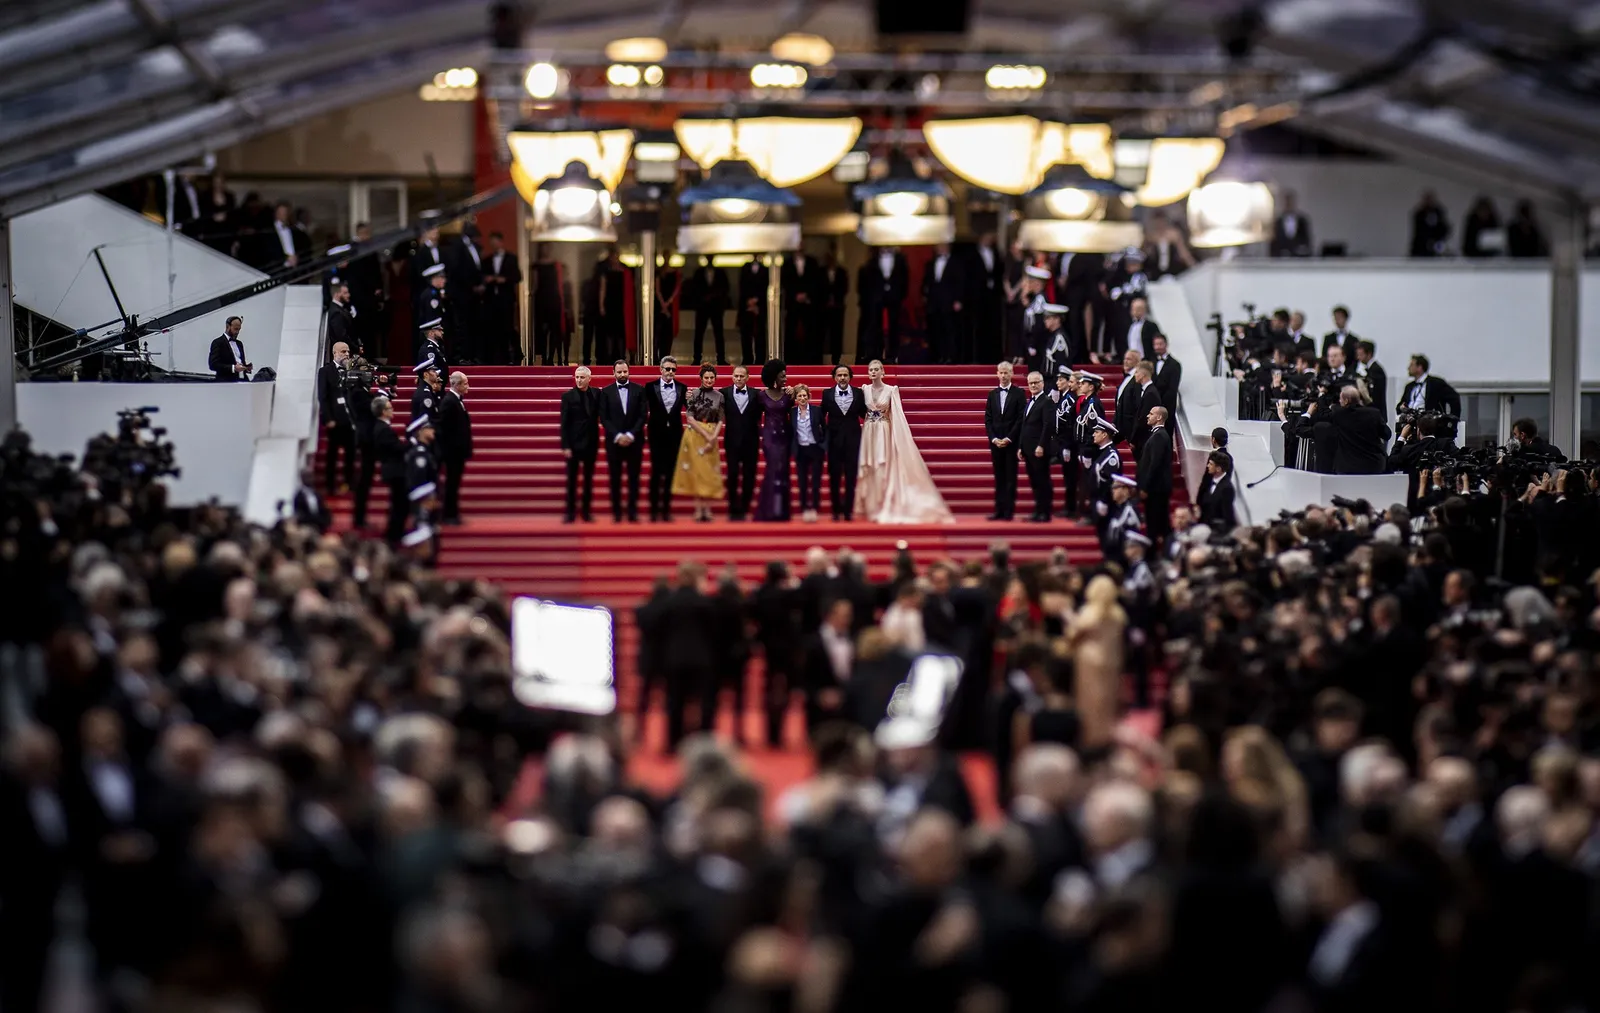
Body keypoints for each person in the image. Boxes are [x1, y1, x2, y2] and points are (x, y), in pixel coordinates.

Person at [855, 359, 955, 524]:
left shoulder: (891, 390)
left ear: (882, 372)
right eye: (870, 370)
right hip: (868, 431)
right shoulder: (864, 389)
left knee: (882, 465)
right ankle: (871, 505)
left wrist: (898, 436)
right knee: (870, 466)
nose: (873, 372)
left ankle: (884, 503)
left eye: (876, 369)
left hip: (884, 431)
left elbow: (898, 415)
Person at [672, 364, 725, 523]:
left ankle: (707, 509)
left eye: (712, 377)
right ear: (701, 378)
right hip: (694, 434)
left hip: (712, 433)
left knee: (708, 473)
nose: (709, 380)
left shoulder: (719, 396)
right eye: (706, 377)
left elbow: (720, 419)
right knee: (697, 472)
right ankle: (698, 509)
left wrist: (713, 437)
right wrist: (706, 435)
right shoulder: (693, 394)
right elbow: (689, 418)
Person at [600, 359, 646, 523]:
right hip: (614, 442)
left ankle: (632, 512)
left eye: (625, 371)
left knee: (634, 478)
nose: (622, 374)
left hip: (635, 441)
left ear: (629, 371)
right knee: (615, 478)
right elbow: (604, 418)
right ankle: (617, 513)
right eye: (619, 372)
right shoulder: (605, 392)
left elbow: (642, 415)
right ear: (613, 373)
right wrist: (618, 436)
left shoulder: (639, 390)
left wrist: (631, 435)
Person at [820, 364, 866, 521]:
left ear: (850, 377)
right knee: (834, 476)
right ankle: (836, 510)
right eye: (839, 375)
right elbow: (820, 416)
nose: (842, 378)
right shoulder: (827, 394)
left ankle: (848, 511)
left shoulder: (859, 393)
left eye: (845, 375)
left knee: (851, 476)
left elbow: (865, 413)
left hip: (853, 440)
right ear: (834, 377)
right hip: (834, 442)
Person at [644, 356, 687, 522]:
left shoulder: (683, 387)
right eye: (667, 369)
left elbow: (691, 408)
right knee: (656, 472)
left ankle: (666, 510)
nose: (670, 372)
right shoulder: (650, 387)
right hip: (656, 434)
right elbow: (641, 407)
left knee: (670, 473)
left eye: (673, 370)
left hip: (675, 435)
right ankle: (653, 510)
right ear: (661, 369)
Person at [1317, 386, 1392, 475]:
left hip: (1347, 468)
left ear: (1346, 401)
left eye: (1340, 399)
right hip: (1373, 466)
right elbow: (1387, 434)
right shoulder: (1374, 413)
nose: (1339, 401)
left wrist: (1321, 394)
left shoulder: (1339, 414)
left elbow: (1323, 413)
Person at [754, 359, 795, 521]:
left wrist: (796, 389)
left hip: (785, 436)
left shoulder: (788, 395)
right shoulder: (761, 396)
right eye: (782, 376)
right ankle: (769, 510)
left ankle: (781, 511)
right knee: (773, 469)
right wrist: (761, 432)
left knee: (783, 471)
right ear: (774, 376)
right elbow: (756, 417)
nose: (785, 378)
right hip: (770, 437)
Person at [559, 366, 600, 523]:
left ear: (589, 378)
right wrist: (566, 446)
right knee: (572, 480)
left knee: (588, 480)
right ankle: (570, 513)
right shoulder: (567, 397)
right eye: (577, 377)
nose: (579, 380)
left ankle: (586, 512)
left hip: (591, 443)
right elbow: (564, 423)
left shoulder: (597, 393)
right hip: (573, 444)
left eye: (582, 377)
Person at [317, 340, 359, 493]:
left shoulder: (352, 371)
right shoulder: (325, 371)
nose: (347, 354)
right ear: (334, 353)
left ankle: (349, 482)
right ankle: (330, 485)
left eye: (348, 351)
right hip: (335, 419)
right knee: (332, 453)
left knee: (351, 453)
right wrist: (328, 418)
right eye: (343, 351)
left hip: (350, 419)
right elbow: (323, 396)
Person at [985, 361, 1024, 521]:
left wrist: (1009, 438)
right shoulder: (992, 394)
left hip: (1011, 443)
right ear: (997, 374)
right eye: (1000, 372)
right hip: (996, 444)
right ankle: (998, 510)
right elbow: (988, 419)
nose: (1003, 375)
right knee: (999, 477)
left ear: (1012, 373)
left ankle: (1009, 511)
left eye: (1006, 372)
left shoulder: (1019, 393)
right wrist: (994, 438)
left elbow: (1020, 419)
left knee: (1010, 477)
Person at [857, 246, 908, 364]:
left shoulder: (901, 260)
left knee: (894, 326)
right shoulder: (873, 260)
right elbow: (868, 281)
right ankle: (875, 355)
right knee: (875, 326)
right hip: (877, 298)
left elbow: (904, 279)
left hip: (894, 298)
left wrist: (900, 295)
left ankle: (893, 355)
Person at [722, 364, 761, 521]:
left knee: (749, 475)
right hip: (731, 441)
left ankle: (745, 507)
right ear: (732, 377)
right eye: (736, 376)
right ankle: (733, 507)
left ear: (747, 377)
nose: (738, 379)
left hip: (751, 441)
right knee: (732, 474)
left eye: (741, 376)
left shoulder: (757, 394)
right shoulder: (723, 393)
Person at [436, 372, 473, 525]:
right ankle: (449, 514)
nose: (468, 386)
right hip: (452, 452)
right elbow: (443, 427)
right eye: (465, 383)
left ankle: (452, 513)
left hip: (457, 451)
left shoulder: (456, 400)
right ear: (456, 385)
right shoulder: (449, 402)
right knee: (451, 484)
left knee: (454, 483)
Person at [1018, 370, 1053, 522]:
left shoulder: (1046, 401)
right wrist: (1021, 446)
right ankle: (1038, 510)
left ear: (1042, 383)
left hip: (1039, 449)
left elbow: (1047, 425)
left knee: (1042, 480)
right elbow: (1024, 425)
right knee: (1034, 481)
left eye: (1036, 382)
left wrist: (1041, 445)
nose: (1033, 385)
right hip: (1028, 449)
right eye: (1030, 383)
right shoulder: (1030, 401)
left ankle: (1045, 512)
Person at [482, 231, 522, 365]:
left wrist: (504, 279)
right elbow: (482, 277)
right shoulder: (487, 260)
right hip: (491, 300)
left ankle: (513, 355)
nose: (493, 245)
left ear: (501, 242)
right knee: (493, 328)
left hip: (506, 299)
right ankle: (495, 358)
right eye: (491, 243)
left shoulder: (511, 258)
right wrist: (488, 279)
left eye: (495, 242)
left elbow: (517, 277)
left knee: (508, 327)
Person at [922, 242, 965, 364]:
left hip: (949, 303)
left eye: (942, 246)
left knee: (950, 330)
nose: (939, 248)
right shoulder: (930, 263)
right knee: (936, 330)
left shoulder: (956, 263)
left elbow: (961, 282)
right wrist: (925, 296)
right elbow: (926, 282)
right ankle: (937, 356)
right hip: (934, 303)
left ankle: (951, 357)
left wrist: (959, 300)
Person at [1138, 405, 1174, 544]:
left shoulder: (1159, 436)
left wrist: (1145, 487)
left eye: (1151, 413)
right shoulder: (1158, 435)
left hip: (1156, 489)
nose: (1148, 416)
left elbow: (1155, 464)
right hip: (1157, 487)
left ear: (1159, 417)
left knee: (1155, 522)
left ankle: (1154, 549)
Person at [789, 385, 825, 522]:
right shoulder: (792, 412)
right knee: (802, 481)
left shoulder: (816, 410)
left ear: (809, 396)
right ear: (796, 398)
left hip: (815, 449)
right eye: (800, 396)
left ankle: (814, 508)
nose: (802, 398)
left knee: (815, 481)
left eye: (805, 395)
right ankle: (804, 508)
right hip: (800, 450)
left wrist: (823, 445)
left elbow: (825, 428)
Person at [531, 243, 570, 365]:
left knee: (554, 330)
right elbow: (535, 284)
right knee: (542, 331)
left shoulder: (556, 264)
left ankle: (551, 357)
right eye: (544, 248)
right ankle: (543, 357)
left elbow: (560, 283)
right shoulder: (536, 265)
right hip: (541, 299)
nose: (546, 250)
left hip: (554, 299)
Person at [685, 261, 730, 366]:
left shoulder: (720, 272)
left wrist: (716, 298)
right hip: (702, 307)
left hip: (716, 307)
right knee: (699, 334)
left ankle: (721, 358)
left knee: (718, 334)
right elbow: (694, 288)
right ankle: (696, 358)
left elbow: (725, 288)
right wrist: (701, 299)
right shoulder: (699, 272)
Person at [782, 250, 822, 363]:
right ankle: (791, 361)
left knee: (810, 334)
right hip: (792, 305)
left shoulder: (812, 262)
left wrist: (807, 295)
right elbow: (785, 282)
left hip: (809, 304)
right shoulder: (787, 263)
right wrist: (795, 295)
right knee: (791, 334)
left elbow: (816, 281)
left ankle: (810, 360)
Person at [1129, 362, 1163, 458]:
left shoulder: (1150, 393)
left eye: (1136, 372)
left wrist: (1134, 440)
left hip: (1144, 440)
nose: (1135, 375)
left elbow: (1144, 418)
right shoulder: (1148, 391)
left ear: (1143, 374)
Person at [738, 258, 768, 365]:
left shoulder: (765, 270)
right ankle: (747, 359)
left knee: (760, 335)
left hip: (761, 307)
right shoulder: (745, 268)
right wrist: (748, 301)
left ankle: (760, 359)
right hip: (746, 307)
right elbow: (741, 286)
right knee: (746, 335)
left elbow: (766, 287)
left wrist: (757, 301)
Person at [822, 252, 850, 365]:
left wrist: (836, 300)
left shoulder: (842, 272)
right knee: (822, 335)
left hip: (837, 308)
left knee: (837, 335)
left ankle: (836, 360)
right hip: (823, 309)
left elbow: (845, 288)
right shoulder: (821, 272)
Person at [1270, 190, 1314, 257]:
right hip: (1281, 258)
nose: (1288, 204)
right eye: (1287, 202)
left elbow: (1307, 241)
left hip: (1299, 258)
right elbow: (1273, 242)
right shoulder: (1277, 222)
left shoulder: (1302, 221)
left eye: (1290, 202)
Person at [1354, 340, 1389, 421]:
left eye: (1360, 355)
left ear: (1369, 354)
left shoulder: (1376, 370)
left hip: (1377, 413)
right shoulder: (1370, 369)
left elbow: (1376, 394)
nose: (1358, 357)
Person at [208, 316, 250, 381]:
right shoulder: (218, 342)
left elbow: (240, 362)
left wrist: (246, 368)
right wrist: (233, 368)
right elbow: (213, 365)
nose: (237, 332)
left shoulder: (239, 343)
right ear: (228, 327)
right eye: (235, 329)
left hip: (242, 380)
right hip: (226, 382)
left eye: (239, 329)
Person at [1409, 190, 1451, 257]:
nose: (1428, 202)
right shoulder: (1420, 214)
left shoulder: (1438, 213)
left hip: (1435, 247)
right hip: (1420, 248)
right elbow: (1419, 232)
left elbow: (1444, 228)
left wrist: (1437, 240)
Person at [654, 263, 681, 361]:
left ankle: (665, 357)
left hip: (669, 309)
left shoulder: (675, 274)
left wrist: (667, 304)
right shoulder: (658, 273)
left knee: (667, 335)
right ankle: (656, 358)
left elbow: (676, 290)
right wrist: (664, 305)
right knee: (657, 335)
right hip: (659, 309)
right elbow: (657, 290)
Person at [1149, 333, 1182, 409]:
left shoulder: (1175, 365)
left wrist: (1161, 405)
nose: (1157, 347)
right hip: (1151, 406)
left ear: (1166, 344)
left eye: (1160, 344)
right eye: (1155, 344)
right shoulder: (1151, 362)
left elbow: (1172, 389)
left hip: (1167, 407)